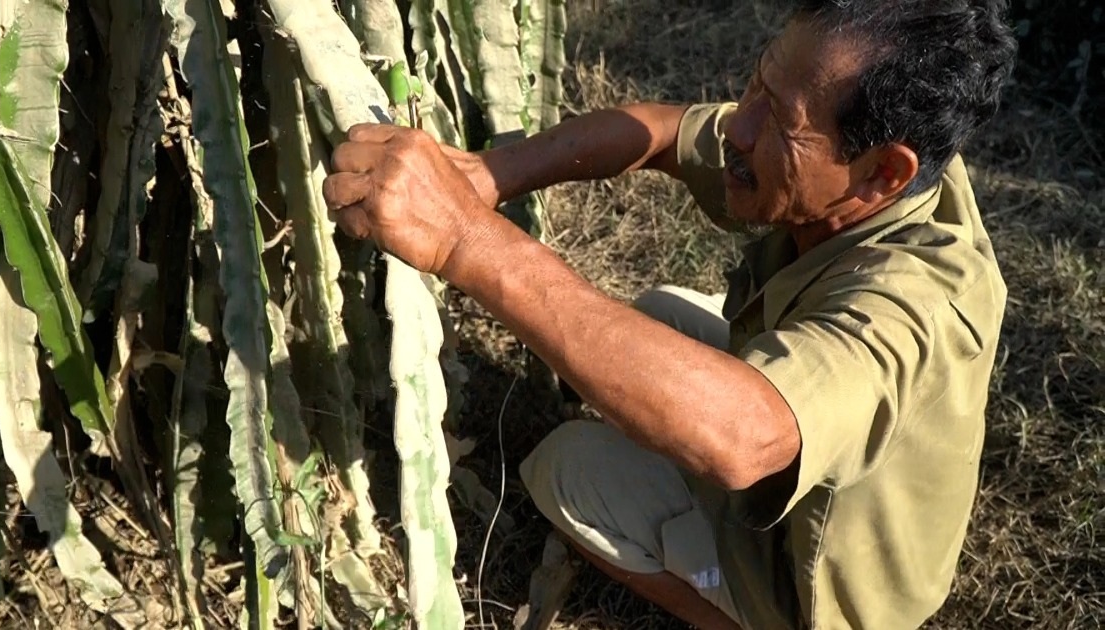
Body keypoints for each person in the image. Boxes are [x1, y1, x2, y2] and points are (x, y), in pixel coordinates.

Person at [321, 0, 1019, 627]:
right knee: (659, 314)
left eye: (781, 121)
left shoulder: (915, 306)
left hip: (833, 584)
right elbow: (658, 133)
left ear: (880, 173)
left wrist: (464, 238)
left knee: (569, 468)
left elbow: (743, 437)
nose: (739, 127)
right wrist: (491, 174)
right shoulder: (874, 162)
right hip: (840, 469)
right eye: (758, 84)